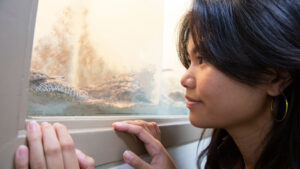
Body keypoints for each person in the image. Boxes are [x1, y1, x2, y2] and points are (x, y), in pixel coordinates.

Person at [15, 0, 300, 168]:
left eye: (204, 59)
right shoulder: (231, 158)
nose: (185, 78)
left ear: (275, 77)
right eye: (189, 60)